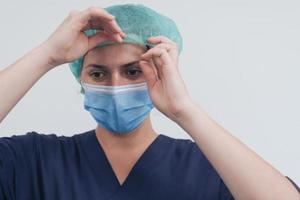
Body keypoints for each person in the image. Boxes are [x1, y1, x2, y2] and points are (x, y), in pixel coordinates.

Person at [0, 3, 299, 200]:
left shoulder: (210, 167)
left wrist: (185, 111)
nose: (116, 86)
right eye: (98, 73)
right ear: (82, 80)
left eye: (132, 71)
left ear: (160, 73)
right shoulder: (32, 161)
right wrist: (47, 55)